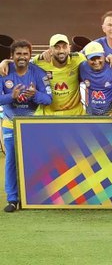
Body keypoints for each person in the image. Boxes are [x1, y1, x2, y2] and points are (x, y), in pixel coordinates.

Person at [1, 40, 52, 212]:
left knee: (35, 159)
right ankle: (12, 199)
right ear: (12, 56)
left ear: (30, 55)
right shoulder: (3, 71)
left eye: (25, 54)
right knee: (11, 160)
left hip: (31, 124)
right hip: (10, 123)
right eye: (18, 54)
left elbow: (48, 99)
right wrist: (11, 97)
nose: (22, 57)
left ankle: (37, 197)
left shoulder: (38, 73)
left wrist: (35, 94)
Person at [33, 34, 86, 116]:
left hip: (75, 112)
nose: (61, 51)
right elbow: (22, 66)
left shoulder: (79, 59)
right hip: (48, 113)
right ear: (50, 49)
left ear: (69, 48)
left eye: (65, 47)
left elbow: (96, 59)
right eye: (57, 47)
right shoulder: (39, 61)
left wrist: (107, 59)